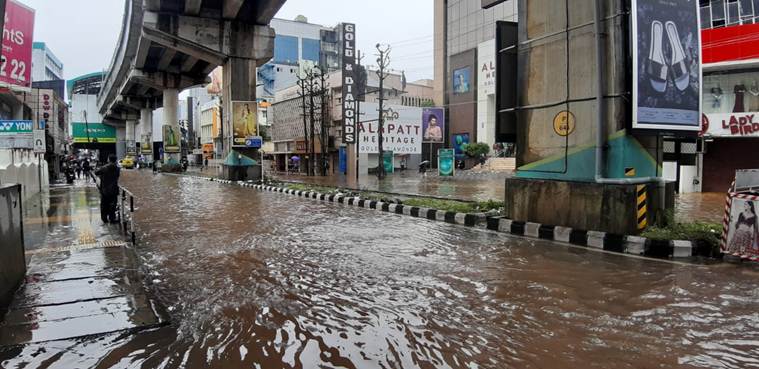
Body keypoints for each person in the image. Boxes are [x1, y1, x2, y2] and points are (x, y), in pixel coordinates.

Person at [95, 154, 121, 224]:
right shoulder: (118, 169)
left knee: (104, 205)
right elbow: (117, 176)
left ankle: (104, 219)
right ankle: (112, 219)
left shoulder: (104, 168)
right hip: (114, 190)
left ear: (109, 159)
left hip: (105, 190)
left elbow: (96, 173)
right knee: (113, 205)